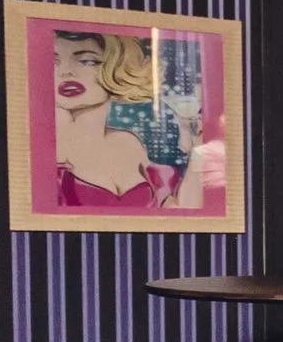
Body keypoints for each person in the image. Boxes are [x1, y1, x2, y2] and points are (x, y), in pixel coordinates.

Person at [52, 30, 220, 210]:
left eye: (87, 61)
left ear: (117, 67)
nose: (66, 72)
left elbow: (183, 211)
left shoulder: (128, 142)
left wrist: (196, 149)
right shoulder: (44, 149)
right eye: (53, 62)